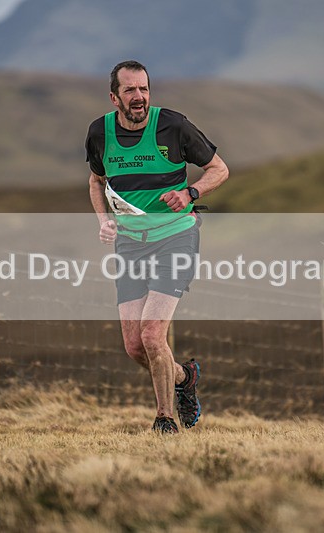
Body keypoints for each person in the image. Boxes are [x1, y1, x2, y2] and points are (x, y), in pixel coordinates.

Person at [85, 60, 229, 433]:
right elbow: (96, 181)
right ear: (114, 96)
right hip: (131, 246)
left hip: (176, 238)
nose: (139, 97)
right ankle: (185, 378)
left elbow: (219, 169)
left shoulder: (173, 125)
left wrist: (190, 192)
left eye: (144, 88)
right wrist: (104, 221)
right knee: (135, 347)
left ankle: (165, 419)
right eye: (130, 90)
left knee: (152, 335)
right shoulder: (99, 133)